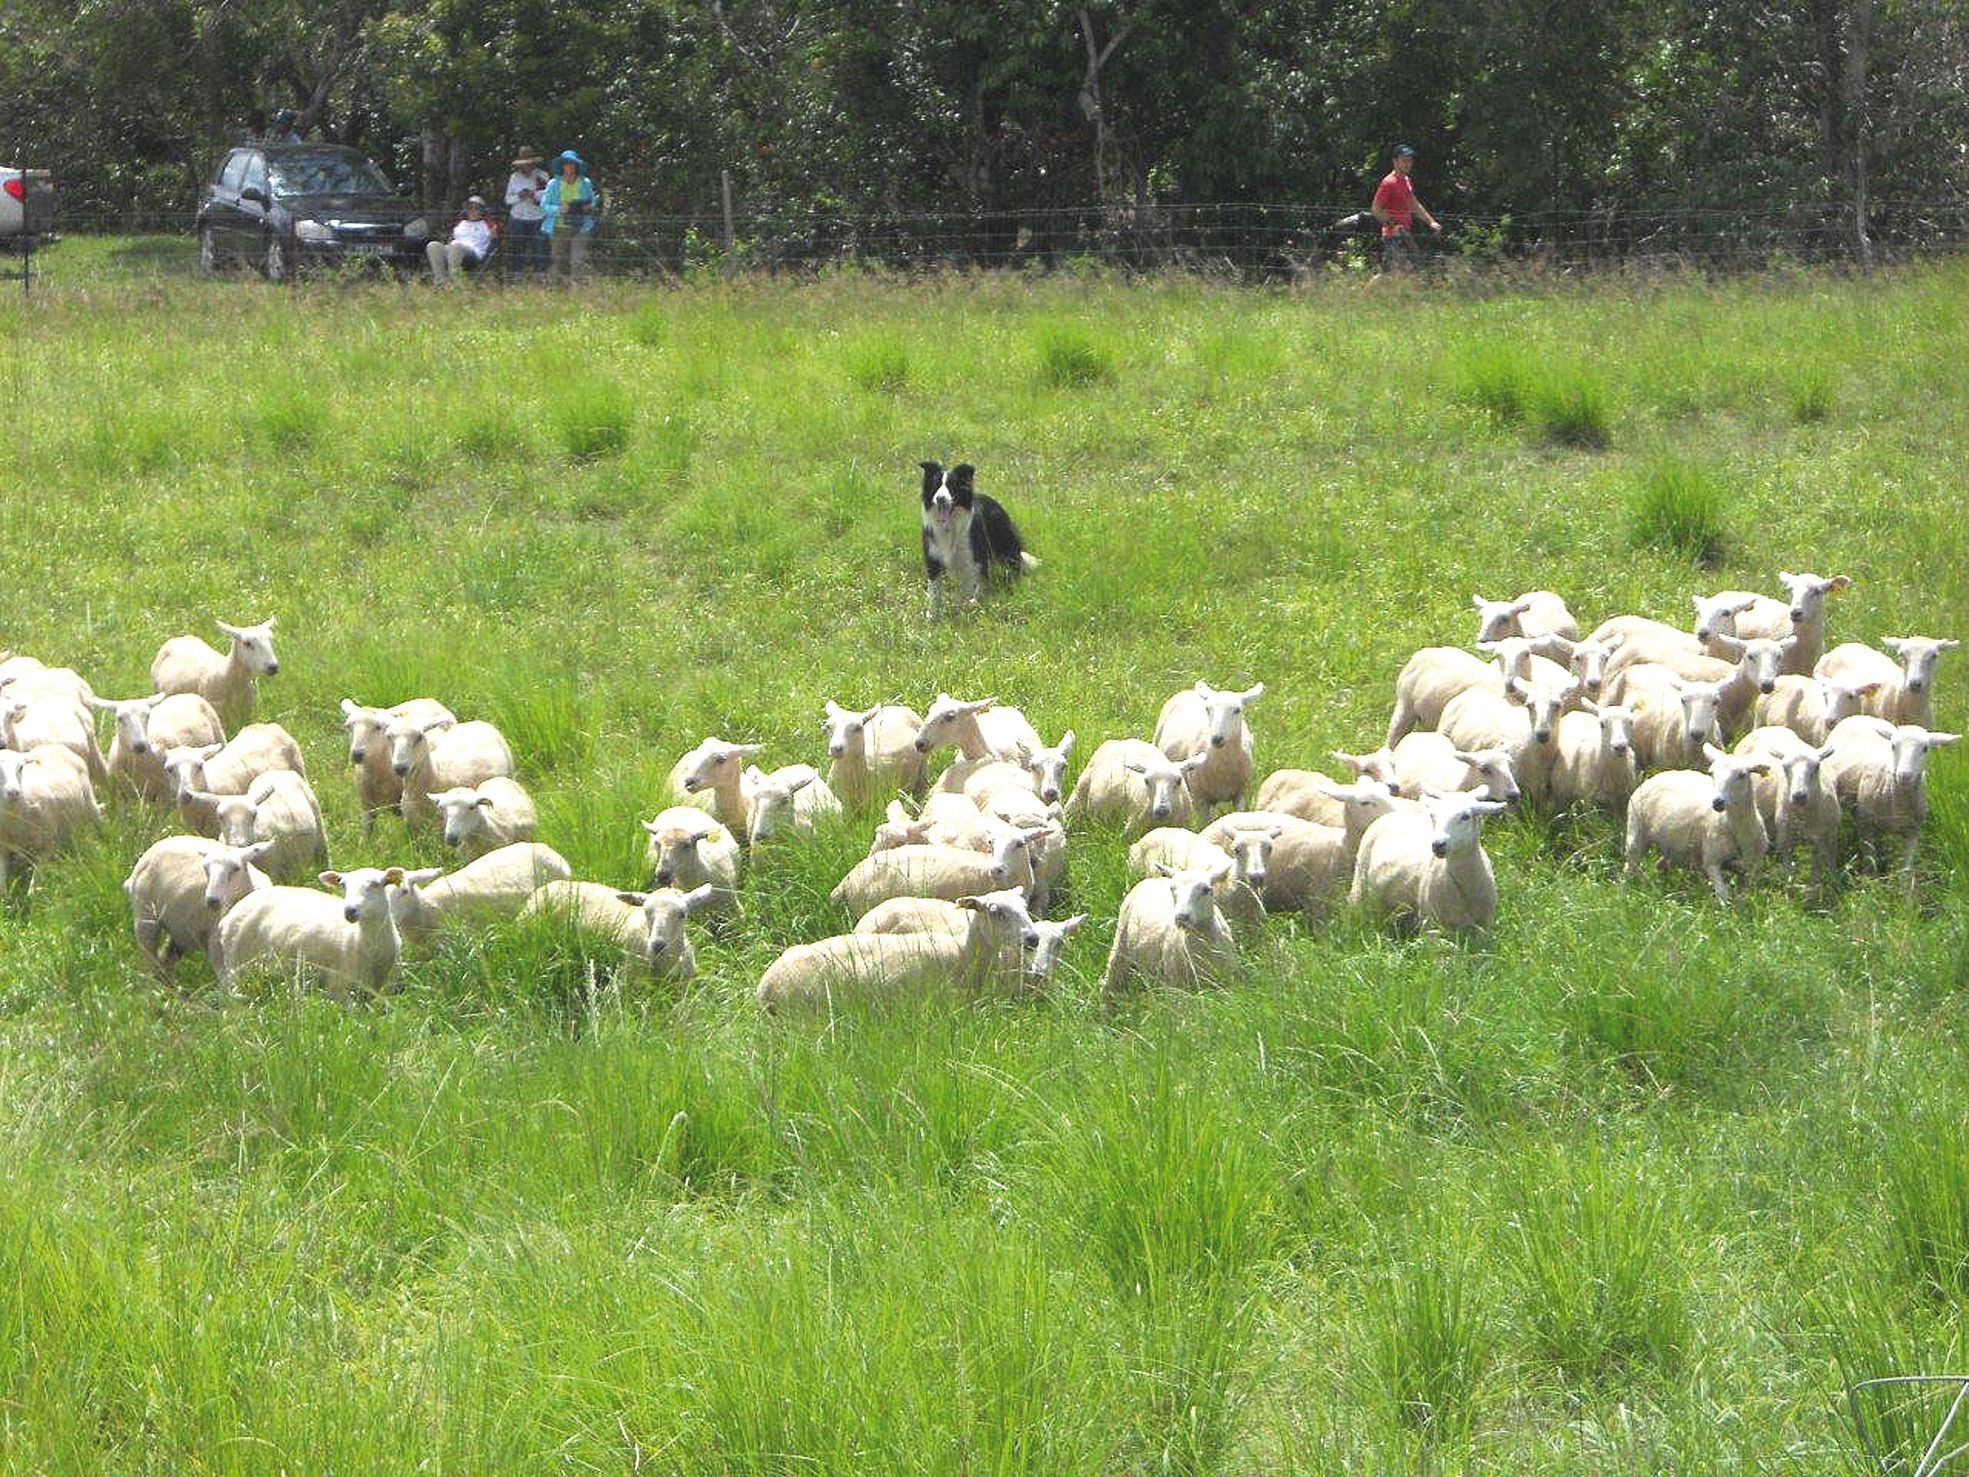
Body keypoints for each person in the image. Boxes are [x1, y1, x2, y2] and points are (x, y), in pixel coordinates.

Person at [1371, 144, 1440, 274]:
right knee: (1392, 273)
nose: (1408, 164)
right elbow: (1376, 209)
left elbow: (1414, 204)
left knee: (1410, 269)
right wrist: (1394, 225)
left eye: (1410, 161)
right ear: (1395, 161)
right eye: (1404, 160)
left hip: (1405, 233)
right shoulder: (1388, 182)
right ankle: (1365, 290)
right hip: (1393, 235)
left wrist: (1431, 222)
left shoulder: (1406, 180)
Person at [539, 150, 598, 285]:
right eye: (566, 164)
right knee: (559, 259)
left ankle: (579, 285)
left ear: (577, 166)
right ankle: (563, 286)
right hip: (559, 227)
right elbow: (544, 206)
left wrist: (587, 207)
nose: (569, 167)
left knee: (578, 259)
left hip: (581, 226)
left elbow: (593, 201)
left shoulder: (585, 183)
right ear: (562, 166)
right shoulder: (553, 184)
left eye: (572, 164)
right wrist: (560, 209)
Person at [427, 196, 495, 285]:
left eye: (476, 208)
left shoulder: (488, 224)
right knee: (433, 245)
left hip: (473, 252)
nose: (472, 211)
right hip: (453, 248)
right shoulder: (461, 223)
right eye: (470, 208)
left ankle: (454, 282)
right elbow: (452, 236)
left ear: (482, 211)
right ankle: (441, 281)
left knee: (456, 247)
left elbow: (494, 238)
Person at [503, 150, 550, 279]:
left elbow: (547, 196)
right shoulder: (514, 177)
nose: (528, 166)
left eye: (531, 163)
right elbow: (507, 199)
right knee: (517, 247)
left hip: (537, 217)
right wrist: (520, 196)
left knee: (540, 247)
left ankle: (540, 275)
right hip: (518, 217)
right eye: (526, 163)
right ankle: (516, 275)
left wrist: (533, 194)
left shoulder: (542, 176)